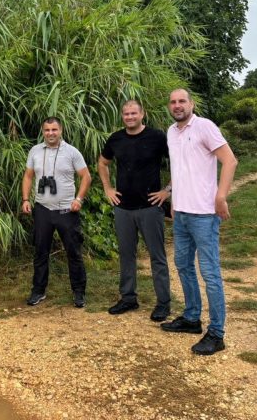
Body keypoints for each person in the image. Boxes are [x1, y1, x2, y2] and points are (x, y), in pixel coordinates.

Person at [160, 89, 238, 356]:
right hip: (181, 214)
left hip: (204, 215)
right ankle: (192, 318)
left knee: (210, 273)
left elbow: (230, 160)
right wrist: (171, 195)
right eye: (173, 102)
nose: (177, 105)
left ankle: (216, 334)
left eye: (182, 101)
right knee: (182, 265)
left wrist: (221, 196)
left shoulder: (205, 126)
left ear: (192, 103)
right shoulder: (172, 132)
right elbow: (180, 169)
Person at [98, 100, 172, 320]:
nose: (129, 117)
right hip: (123, 208)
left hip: (150, 207)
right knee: (126, 255)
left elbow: (179, 162)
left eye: (133, 113)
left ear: (143, 114)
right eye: (126, 114)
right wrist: (107, 188)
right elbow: (102, 163)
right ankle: (128, 298)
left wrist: (167, 190)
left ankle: (163, 303)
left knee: (157, 257)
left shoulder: (157, 137)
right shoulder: (116, 139)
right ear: (122, 116)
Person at [21, 117, 91, 308]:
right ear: (42, 131)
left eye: (54, 130)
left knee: (73, 252)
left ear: (61, 130)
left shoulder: (72, 152)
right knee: (40, 252)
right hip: (42, 209)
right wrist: (26, 199)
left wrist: (79, 199)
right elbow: (28, 176)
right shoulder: (35, 151)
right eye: (47, 130)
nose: (50, 133)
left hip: (66, 210)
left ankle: (78, 292)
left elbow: (86, 176)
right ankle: (38, 291)